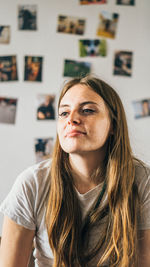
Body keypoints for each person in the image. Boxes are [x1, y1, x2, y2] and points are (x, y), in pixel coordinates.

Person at [0, 75, 150, 267]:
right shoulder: (32, 183)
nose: (71, 119)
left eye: (87, 110)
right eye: (63, 113)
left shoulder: (142, 181)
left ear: (113, 124)